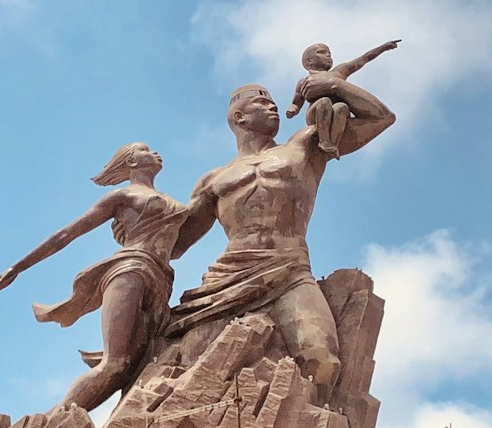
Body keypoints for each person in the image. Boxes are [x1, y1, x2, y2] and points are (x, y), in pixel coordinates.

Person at [169, 69, 396, 402]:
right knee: (191, 363)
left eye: (275, 103)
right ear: (239, 117)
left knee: (322, 362)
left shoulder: (304, 145)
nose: (273, 108)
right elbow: (175, 246)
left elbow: (382, 118)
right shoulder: (213, 180)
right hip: (228, 278)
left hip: (290, 269)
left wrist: (335, 85)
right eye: (263, 103)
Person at [0, 142, 185, 412]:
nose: (155, 152)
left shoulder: (174, 202)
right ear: (131, 162)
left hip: (162, 282)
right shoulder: (123, 196)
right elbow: (68, 234)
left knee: (132, 369)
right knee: (114, 363)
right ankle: (49, 426)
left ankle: (61, 425)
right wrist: (17, 268)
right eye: (145, 149)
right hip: (131, 270)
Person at [286, 39, 400, 159]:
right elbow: (297, 101)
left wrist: (383, 48)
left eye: (329, 53)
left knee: (342, 107)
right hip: (316, 112)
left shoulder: (338, 72)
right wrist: (293, 109)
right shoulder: (304, 81)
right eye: (322, 52)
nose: (328, 55)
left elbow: (363, 59)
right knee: (324, 102)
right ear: (309, 61)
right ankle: (324, 140)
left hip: (336, 114)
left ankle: (333, 143)